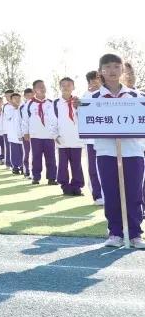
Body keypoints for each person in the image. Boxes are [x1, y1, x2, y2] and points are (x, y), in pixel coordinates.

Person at [89, 54, 145, 248]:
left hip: (133, 151)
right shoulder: (91, 99)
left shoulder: (137, 97)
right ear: (101, 72)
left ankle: (135, 233)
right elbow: (86, 126)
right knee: (111, 193)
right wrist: (80, 109)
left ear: (123, 70)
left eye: (116, 66)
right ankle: (115, 232)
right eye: (107, 67)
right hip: (106, 152)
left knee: (134, 193)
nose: (112, 71)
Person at [22, 79, 58, 185]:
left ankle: (52, 178)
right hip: (35, 135)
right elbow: (25, 120)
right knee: (36, 157)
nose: (42, 88)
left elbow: (55, 119)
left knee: (51, 157)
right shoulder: (29, 104)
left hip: (49, 135)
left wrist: (55, 133)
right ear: (34, 90)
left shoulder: (51, 103)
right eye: (39, 87)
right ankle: (36, 177)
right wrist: (26, 132)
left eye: (43, 86)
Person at [53, 77, 84, 197]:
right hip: (62, 138)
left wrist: (78, 108)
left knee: (76, 164)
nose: (66, 87)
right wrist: (55, 134)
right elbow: (52, 120)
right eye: (63, 85)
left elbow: (83, 117)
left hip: (76, 138)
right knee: (62, 164)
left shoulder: (78, 101)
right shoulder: (56, 103)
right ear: (60, 87)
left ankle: (77, 186)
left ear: (73, 87)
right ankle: (65, 186)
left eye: (69, 85)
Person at [82, 70, 104, 205]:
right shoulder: (86, 96)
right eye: (92, 80)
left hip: (107, 138)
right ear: (88, 82)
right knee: (93, 168)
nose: (95, 82)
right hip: (91, 140)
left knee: (107, 168)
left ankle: (108, 194)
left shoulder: (107, 94)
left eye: (97, 79)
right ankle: (97, 195)